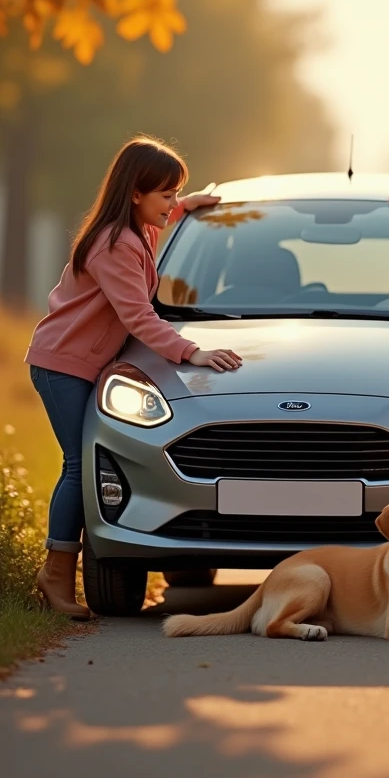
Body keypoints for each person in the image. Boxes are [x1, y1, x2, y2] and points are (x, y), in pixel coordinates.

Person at [25, 137, 243, 619]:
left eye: (174, 193)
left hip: (81, 361)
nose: (170, 203)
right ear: (135, 195)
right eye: (165, 195)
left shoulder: (135, 231)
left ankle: (59, 571)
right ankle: (56, 575)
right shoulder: (115, 245)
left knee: (83, 464)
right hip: (63, 365)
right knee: (79, 466)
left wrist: (187, 208)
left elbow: (158, 228)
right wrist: (194, 352)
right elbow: (138, 317)